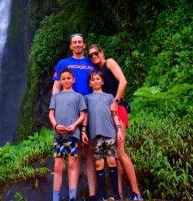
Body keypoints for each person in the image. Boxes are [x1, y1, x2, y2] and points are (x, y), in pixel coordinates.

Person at [88, 44, 144, 200]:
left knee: (120, 150)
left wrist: (116, 101)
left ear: (102, 52)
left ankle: (136, 193)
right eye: (91, 55)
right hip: (108, 114)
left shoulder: (109, 63)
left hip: (118, 108)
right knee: (115, 155)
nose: (93, 56)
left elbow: (123, 81)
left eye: (96, 53)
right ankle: (118, 194)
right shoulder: (98, 75)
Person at [52, 33, 98, 200]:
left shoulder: (91, 63)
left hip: (90, 107)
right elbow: (56, 87)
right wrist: (54, 111)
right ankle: (74, 194)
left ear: (83, 45)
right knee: (75, 152)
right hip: (70, 111)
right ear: (71, 46)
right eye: (74, 42)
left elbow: (99, 81)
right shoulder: (63, 64)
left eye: (80, 42)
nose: (77, 45)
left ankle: (92, 193)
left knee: (90, 150)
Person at [82, 71, 123, 201]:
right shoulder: (87, 98)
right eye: (93, 79)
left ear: (102, 81)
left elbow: (114, 114)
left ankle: (116, 194)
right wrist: (83, 130)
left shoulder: (109, 97)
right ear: (89, 83)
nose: (95, 81)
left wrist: (119, 130)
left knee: (111, 160)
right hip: (95, 134)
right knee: (99, 163)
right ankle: (102, 196)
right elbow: (85, 115)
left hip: (109, 132)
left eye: (98, 79)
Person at [49, 68, 87, 201]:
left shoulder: (78, 96)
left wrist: (75, 125)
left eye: (69, 78)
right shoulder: (56, 96)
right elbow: (51, 114)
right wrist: (55, 125)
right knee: (58, 165)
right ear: (60, 80)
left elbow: (83, 115)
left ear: (73, 80)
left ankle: (72, 196)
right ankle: (55, 197)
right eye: (63, 79)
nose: (66, 80)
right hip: (58, 135)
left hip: (72, 134)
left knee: (72, 163)